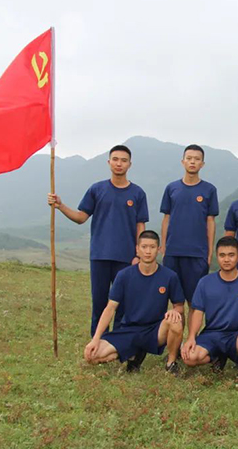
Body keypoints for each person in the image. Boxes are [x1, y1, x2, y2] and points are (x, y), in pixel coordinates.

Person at [48, 144, 148, 336]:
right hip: (100, 255)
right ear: (108, 162)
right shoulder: (97, 189)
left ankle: (118, 343)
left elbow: (140, 226)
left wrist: (139, 254)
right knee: (99, 303)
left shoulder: (137, 193)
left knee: (123, 304)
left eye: (124, 160)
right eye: (115, 159)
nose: (119, 164)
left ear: (130, 164)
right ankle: (97, 342)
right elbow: (81, 217)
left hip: (126, 258)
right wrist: (60, 206)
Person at [83, 231, 185, 373]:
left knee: (175, 321)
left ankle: (171, 363)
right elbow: (110, 308)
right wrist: (96, 338)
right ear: (137, 249)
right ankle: (133, 353)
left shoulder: (170, 276)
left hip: (154, 330)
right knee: (91, 356)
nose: (148, 251)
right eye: (144, 247)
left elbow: (179, 306)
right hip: (128, 329)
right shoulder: (124, 275)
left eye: (152, 247)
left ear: (159, 249)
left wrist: (174, 311)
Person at [181, 236, 238, 383]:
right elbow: (198, 312)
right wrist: (191, 337)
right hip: (212, 334)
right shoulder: (205, 282)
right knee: (190, 358)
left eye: (231, 255)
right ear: (217, 257)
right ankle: (217, 357)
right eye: (222, 255)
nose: (226, 259)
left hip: (237, 335)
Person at [160, 144, 219, 321]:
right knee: (176, 303)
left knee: (195, 302)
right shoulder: (172, 188)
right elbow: (166, 218)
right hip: (173, 252)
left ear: (202, 164)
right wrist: (164, 246)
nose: (192, 162)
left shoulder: (209, 190)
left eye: (197, 159)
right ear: (183, 161)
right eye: (189, 158)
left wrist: (209, 251)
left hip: (197, 254)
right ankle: (177, 338)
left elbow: (210, 222)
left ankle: (192, 337)